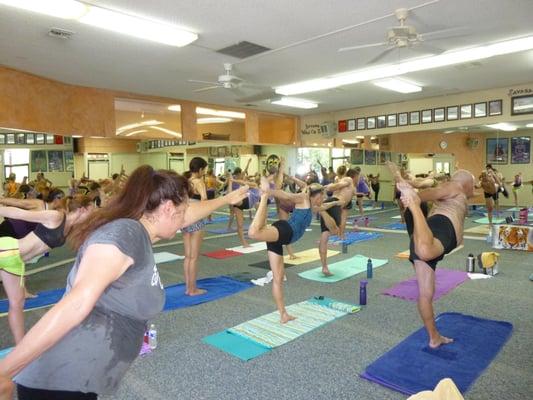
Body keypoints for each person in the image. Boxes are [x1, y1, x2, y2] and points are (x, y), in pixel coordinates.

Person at [0, 165, 248, 399]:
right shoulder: (124, 234)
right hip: (59, 379)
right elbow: (76, 303)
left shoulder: (142, 232)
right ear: (167, 209)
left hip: (79, 376)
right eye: (181, 210)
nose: (184, 218)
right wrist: (5, 371)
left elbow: (186, 217)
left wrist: (225, 200)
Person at [389, 162, 475, 349]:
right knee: (425, 252)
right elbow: (434, 193)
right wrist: (415, 199)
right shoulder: (455, 186)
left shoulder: (457, 192)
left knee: (426, 294)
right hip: (438, 231)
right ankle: (413, 206)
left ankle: (434, 337)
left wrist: (408, 188)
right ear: (465, 182)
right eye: (472, 185)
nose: (473, 189)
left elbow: (436, 193)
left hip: (426, 236)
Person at [0, 195, 93, 344]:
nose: (93, 214)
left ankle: (20, 345)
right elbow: (20, 213)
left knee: (17, 303)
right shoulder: (55, 217)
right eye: (91, 210)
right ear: (82, 210)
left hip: (15, 262)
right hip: (6, 250)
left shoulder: (70, 228)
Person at [248, 178, 338, 323]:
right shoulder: (303, 198)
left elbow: (323, 207)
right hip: (285, 231)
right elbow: (286, 195)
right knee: (253, 233)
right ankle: (264, 196)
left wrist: (335, 203)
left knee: (278, 278)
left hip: (283, 238)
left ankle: (283, 314)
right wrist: (268, 192)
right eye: (322, 196)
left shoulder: (313, 207)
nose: (323, 199)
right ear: (317, 195)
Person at [182, 157, 209, 296]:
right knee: (193, 257)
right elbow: (204, 200)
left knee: (187, 256)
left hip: (185, 219)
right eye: (204, 169)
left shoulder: (185, 182)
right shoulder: (199, 182)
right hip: (196, 219)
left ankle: (188, 287)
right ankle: (192, 289)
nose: (204, 172)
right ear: (199, 169)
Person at [325, 167, 357, 240]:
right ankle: (340, 234)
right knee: (341, 218)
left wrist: (329, 187)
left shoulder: (346, 179)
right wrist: (330, 187)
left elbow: (336, 187)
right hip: (342, 202)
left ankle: (339, 234)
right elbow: (337, 187)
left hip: (340, 201)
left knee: (340, 218)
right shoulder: (346, 179)